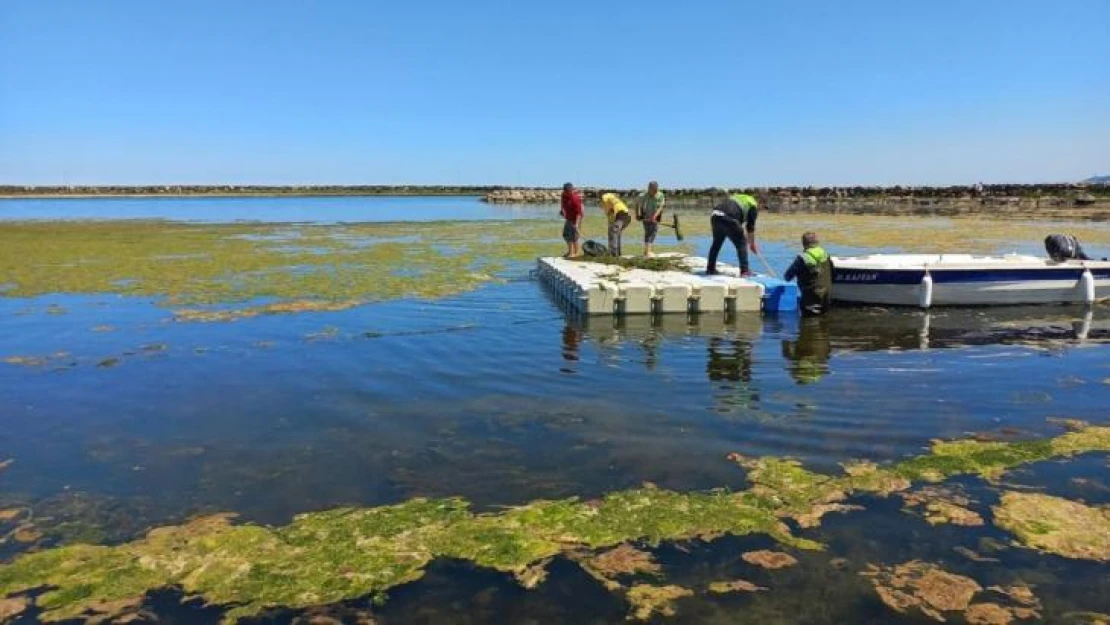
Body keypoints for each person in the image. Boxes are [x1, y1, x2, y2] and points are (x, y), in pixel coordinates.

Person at [706, 189, 759, 276]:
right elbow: (750, 228)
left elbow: (736, 215)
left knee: (716, 244)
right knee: (742, 243)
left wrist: (738, 230)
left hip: (715, 216)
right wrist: (752, 244)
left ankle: (710, 269)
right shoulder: (753, 205)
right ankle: (745, 271)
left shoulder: (739, 197)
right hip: (728, 218)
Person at [784, 231, 832, 315]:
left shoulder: (803, 258)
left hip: (810, 299)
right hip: (826, 297)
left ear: (804, 244)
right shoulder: (825, 254)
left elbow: (787, 276)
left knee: (810, 324)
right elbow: (833, 272)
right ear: (817, 242)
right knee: (824, 320)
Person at [636, 181, 665, 257]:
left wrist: (655, 216)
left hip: (656, 214)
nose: (654, 192)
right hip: (645, 215)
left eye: (656, 190)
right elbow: (637, 204)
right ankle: (647, 252)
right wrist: (637, 215)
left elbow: (660, 207)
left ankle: (646, 252)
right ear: (649, 189)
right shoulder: (642, 195)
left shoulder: (660, 195)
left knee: (653, 232)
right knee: (649, 233)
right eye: (653, 191)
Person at [599, 191, 632, 256]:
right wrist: (610, 222)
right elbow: (610, 215)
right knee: (617, 234)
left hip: (619, 213)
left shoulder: (604, 197)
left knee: (613, 234)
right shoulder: (612, 196)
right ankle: (618, 253)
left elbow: (609, 212)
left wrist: (610, 223)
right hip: (626, 214)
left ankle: (613, 254)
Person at [560, 182, 584, 258]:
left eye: (568, 192)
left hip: (576, 218)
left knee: (574, 237)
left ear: (571, 191)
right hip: (569, 218)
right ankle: (570, 251)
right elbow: (562, 203)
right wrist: (562, 210)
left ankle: (576, 253)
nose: (566, 193)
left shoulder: (575, 198)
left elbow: (579, 213)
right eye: (565, 191)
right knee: (566, 235)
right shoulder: (563, 195)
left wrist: (576, 224)